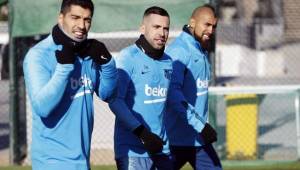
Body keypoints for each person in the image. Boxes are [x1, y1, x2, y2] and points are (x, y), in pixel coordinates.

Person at [23, 0, 118, 169]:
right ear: (61, 18)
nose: (81, 25)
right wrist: (64, 69)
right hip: (51, 163)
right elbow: (42, 107)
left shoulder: (87, 54)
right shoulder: (38, 55)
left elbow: (108, 94)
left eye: (87, 19)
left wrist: (108, 65)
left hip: (82, 162)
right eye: (75, 17)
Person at [108, 6, 174, 170]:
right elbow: (115, 101)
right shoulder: (128, 57)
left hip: (161, 149)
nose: (162, 33)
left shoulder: (168, 62)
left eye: (166, 28)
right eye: (156, 27)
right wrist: (143, 134)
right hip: (133, 151)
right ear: (143, 28)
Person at [165, 4, 222, 170]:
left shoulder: (201, 49)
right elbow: (172, 94)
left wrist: (200, 129)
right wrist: (201, 126)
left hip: (198, 140)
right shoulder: (179, 51)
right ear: (192, 22)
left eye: (214, 26)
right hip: (175, 140)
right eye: (207, 25)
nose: (211, 30)